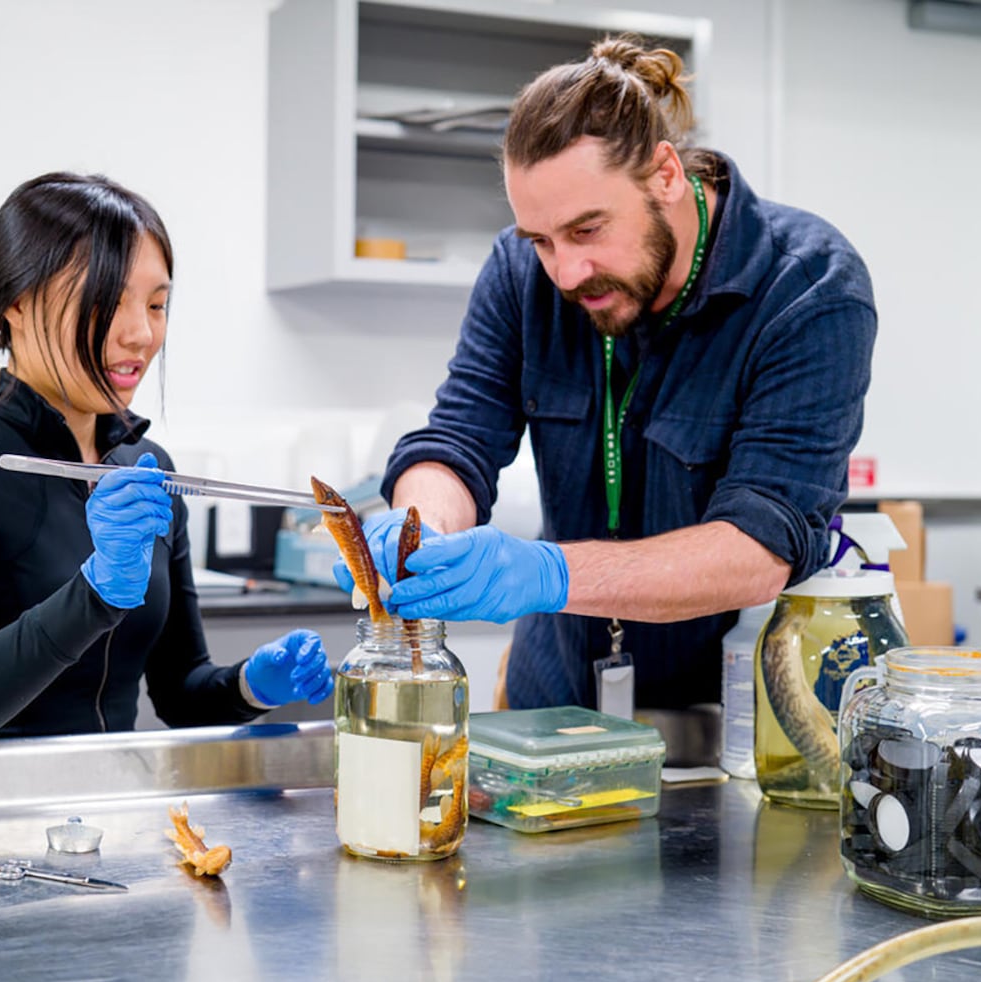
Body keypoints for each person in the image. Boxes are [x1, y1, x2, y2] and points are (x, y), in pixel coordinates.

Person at [338, 37, 876, 714]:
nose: (564, 272)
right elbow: (458, 440)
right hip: (553, 702)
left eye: (587, 230)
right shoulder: (521, 273)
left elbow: (761, 544)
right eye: (541, 240)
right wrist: (422, 528)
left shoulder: (808, 291)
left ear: (667, 176)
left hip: (731, 721)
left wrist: (550, 572)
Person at [0, 172, 332, 763]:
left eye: (156, 305)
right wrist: (92, 596)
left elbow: (179, 692)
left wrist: (252, 685)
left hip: (113, 817)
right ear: (16, 305)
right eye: (108, 302)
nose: (141, 334)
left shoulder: (149, 474)